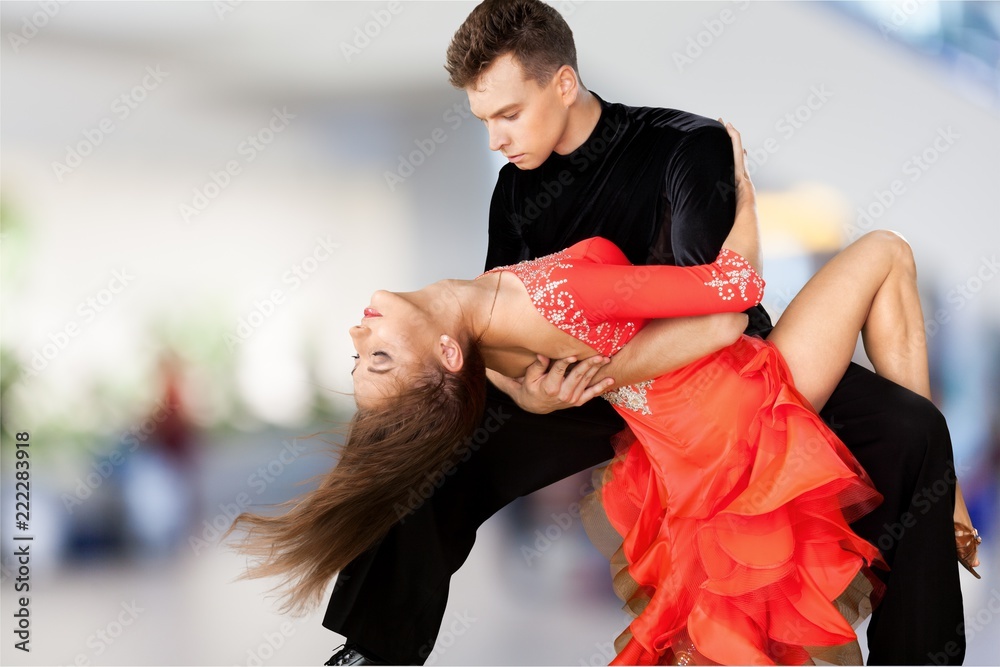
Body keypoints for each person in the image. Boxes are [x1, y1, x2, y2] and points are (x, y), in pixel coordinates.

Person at [313, 1, 973, 664]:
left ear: (563, 84)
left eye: (508, 114)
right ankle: (373, 648)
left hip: (709, 361)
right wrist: (530, 391)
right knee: (423, 431)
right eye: (483, 119)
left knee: (912, 427)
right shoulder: (514, 190)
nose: (496, 139)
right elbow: (486, 332)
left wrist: (595, 369)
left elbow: (719, 309)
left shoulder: (683, 147)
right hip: (582, 384)